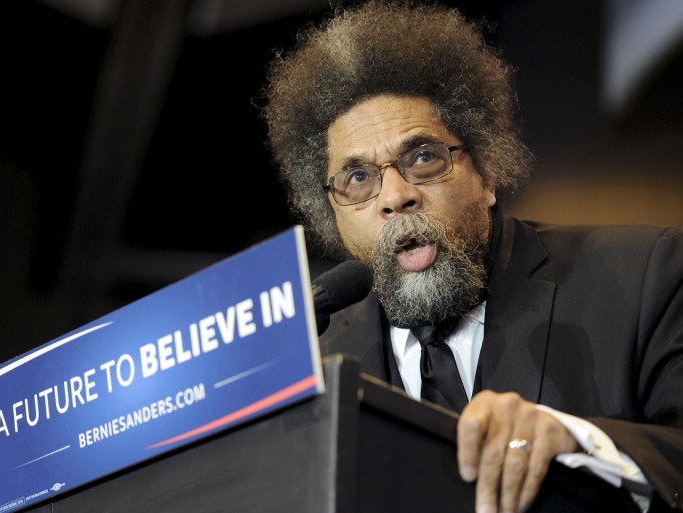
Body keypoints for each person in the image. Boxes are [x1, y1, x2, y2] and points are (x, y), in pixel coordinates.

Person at [259, 1, 683, 512]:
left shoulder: (644, 277)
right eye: (358, 178)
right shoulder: (316, 369)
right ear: (333, 215)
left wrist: (578, 442)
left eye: (422, 157)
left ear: (486, 174)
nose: (394, 195)